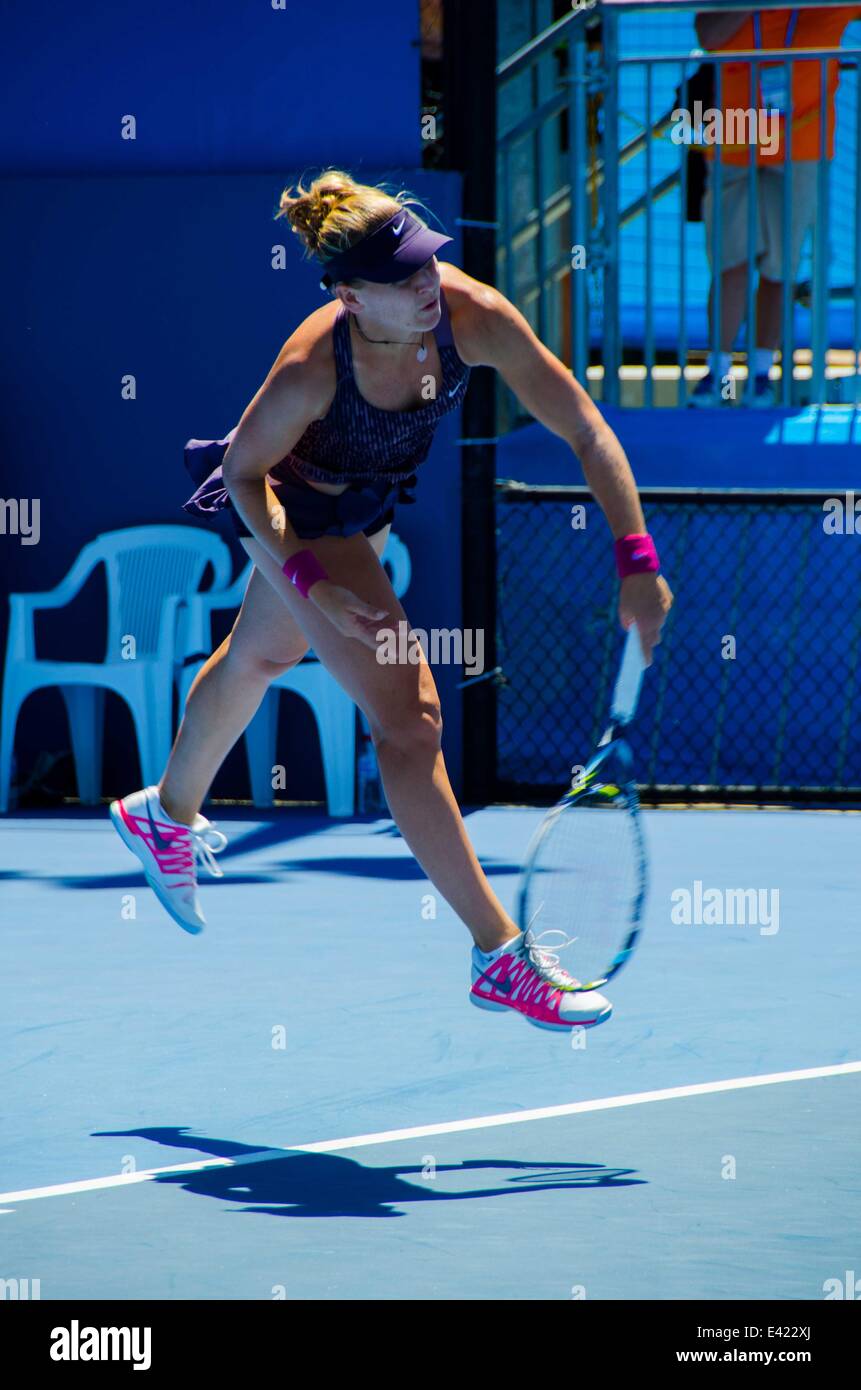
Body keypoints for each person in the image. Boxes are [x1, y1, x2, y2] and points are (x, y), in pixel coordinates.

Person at [109, 170, 672, 1033]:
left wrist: (635, 556)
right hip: (299, 511)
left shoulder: (469, 312)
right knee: (410, 728)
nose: (425, 287)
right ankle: (498, 954)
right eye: (402, 278)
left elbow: (583, 426)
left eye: (426, 264)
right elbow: (242, 475)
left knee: (261, 654)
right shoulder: (308, 367)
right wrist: (312, 583)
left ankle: (164, 814)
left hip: (365, 505)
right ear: (349, 297)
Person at [689, 5, 861, 408]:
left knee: (780, 266)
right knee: (729, 262)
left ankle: (761, 375)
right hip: (733, 143)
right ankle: (717, 374)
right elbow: (708, 35)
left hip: (802, 148)